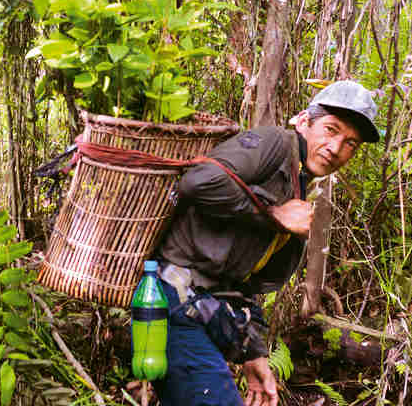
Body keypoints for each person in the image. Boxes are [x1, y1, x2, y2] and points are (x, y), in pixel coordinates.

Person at [152, 80, 380, 406]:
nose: (336, 147)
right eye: (331, 129)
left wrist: (253, 352)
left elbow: (238, 281)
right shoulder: (273, 143)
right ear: (303, 121)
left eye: (350, 143)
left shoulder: (299, 183)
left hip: (195, 311)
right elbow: (198, 181)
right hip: (172, 302)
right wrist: (273, 213)